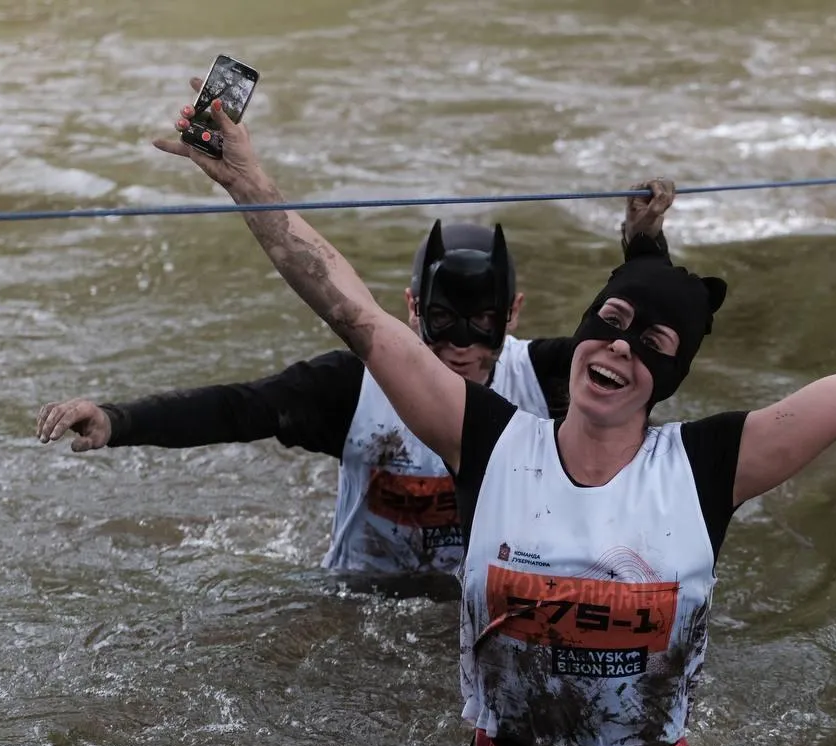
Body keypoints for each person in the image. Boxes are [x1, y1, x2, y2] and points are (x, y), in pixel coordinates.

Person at [149, 78, 836, 746]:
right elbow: (351, 308)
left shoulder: (704, 468)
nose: (616, 348)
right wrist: (249, 179)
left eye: (649, 344)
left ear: (669, 375)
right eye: (606, 325)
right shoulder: (488, 440)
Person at [36, 163, 679, 599]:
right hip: (363, 599)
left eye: (481, 324)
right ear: (410, 308)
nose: (459, 345)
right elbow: (240, 408)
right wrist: (118, 419)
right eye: (441, 322)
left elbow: (638, 358)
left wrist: (644, 248)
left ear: (511, 314)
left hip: (485, 604)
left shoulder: (547, 380)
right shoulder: (353, 387)